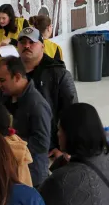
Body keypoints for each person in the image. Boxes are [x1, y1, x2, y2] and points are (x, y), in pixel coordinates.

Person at [19, 26, 78, 160]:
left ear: (42, 46)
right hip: (19, 149)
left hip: (49, 152)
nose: (26, 46)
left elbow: (72, 114)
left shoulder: (59, 74)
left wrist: (63, 148)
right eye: (22, 42)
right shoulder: (11, 72)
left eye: (32, 42)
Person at [0, 56, 52, 186]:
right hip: (10, 170)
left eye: (2, 80)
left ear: (17, 77)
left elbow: (41, 143)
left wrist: (10, 145)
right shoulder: (4, 96)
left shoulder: (37, 105)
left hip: (31, 175)